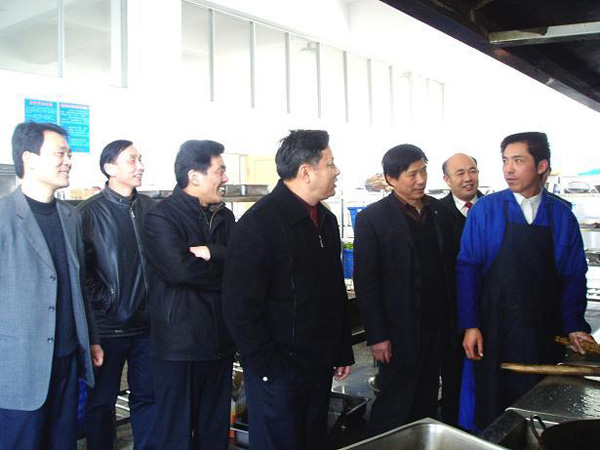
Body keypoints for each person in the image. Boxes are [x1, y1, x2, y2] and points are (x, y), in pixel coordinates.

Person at [222, 130, 354, 450]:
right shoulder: (259, 225)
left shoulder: (324, 220)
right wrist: (269, 369)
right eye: (330, 164)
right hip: (279, 371)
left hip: (317, 364)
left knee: (312, 440)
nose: (336, 171)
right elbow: (240, 307)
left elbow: (333, 291)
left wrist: (341, 348)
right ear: (306, 171)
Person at [458, 132, 594, 430]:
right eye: (505, 161)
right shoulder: (486, 210)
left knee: (539, 407)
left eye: (518, 161)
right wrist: (470, 324)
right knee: (490, 407)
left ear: (541, 165)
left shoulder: (561, 215)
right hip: (493, 330)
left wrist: (574, 325)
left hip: (542, 330)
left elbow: (573, 276)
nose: (508, 169)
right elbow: (468, 269)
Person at [0, 121, 103, 449]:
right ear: (29, 159)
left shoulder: (71, 217)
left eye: (69, 154)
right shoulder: (3, 217)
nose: (68, 161)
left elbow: (78, 286)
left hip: (68, 362)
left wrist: (92, 339)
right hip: (19, 368)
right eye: (60, 153)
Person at [353, 144, 457, 436]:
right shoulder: (373, 218)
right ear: (391, 179)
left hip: (437, 327)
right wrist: (377, 335)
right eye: (412, 174)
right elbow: (366, 282)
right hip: (398, 332)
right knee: (394, 403)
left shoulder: (439, 212)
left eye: (423, 171)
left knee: (427, 399)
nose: (421, 180)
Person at [144, 140, 235, 449]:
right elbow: (180, 270)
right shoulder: (161, 217)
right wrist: (226, 270)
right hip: (179, 345)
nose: (225, 178)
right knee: (176, 433)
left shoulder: (224, 216)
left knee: (215, 432)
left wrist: (213, 252)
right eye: (220, 171)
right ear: (194, 176)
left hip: (220, 343)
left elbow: (243, 263)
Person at [78, 140, 156, 449]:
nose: (141, 166)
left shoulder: (151, 209)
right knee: (101, 403)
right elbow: (81, 273)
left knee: (149, 398)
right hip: (108, 328)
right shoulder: (87, 213)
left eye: (140, 159)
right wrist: (109, 301)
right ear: (110, 168)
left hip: (149, 327)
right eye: (132, 160)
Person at [437, 152, 484, 427]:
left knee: (488, 382)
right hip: (450, 318)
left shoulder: (492, 209)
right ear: (447, 179)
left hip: (488, 314)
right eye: (460, 173)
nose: (468, 178)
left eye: (472, 171)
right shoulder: (435, 213)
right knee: (454, 382)